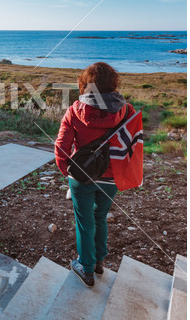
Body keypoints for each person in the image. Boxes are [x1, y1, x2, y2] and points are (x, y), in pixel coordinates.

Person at [55, 62, 136, 287]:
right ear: (113, 83)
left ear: (85, 84)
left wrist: (68, 175)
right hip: (112, 179)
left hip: (81, 177)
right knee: (100, 217)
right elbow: (132, 145)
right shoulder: (127, 111)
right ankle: (99, 261)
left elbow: (62, 147)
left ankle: (87, 268)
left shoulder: (74, 111)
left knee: (84, 222)